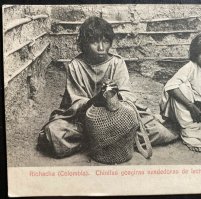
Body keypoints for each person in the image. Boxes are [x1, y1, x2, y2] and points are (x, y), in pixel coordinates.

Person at [37, 16, 178, 158]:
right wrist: (96, 100)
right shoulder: (75, 65)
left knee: (157, 130)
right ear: (85, 43)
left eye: (105, 41)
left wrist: (115, 95)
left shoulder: (117, 63)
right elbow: (76, 102)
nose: (101, 48)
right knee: (53, 133)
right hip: (84, 121)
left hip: (117, 117)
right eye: (94, 42)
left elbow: (128, 96)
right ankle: (108, 141)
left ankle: (97, 142)